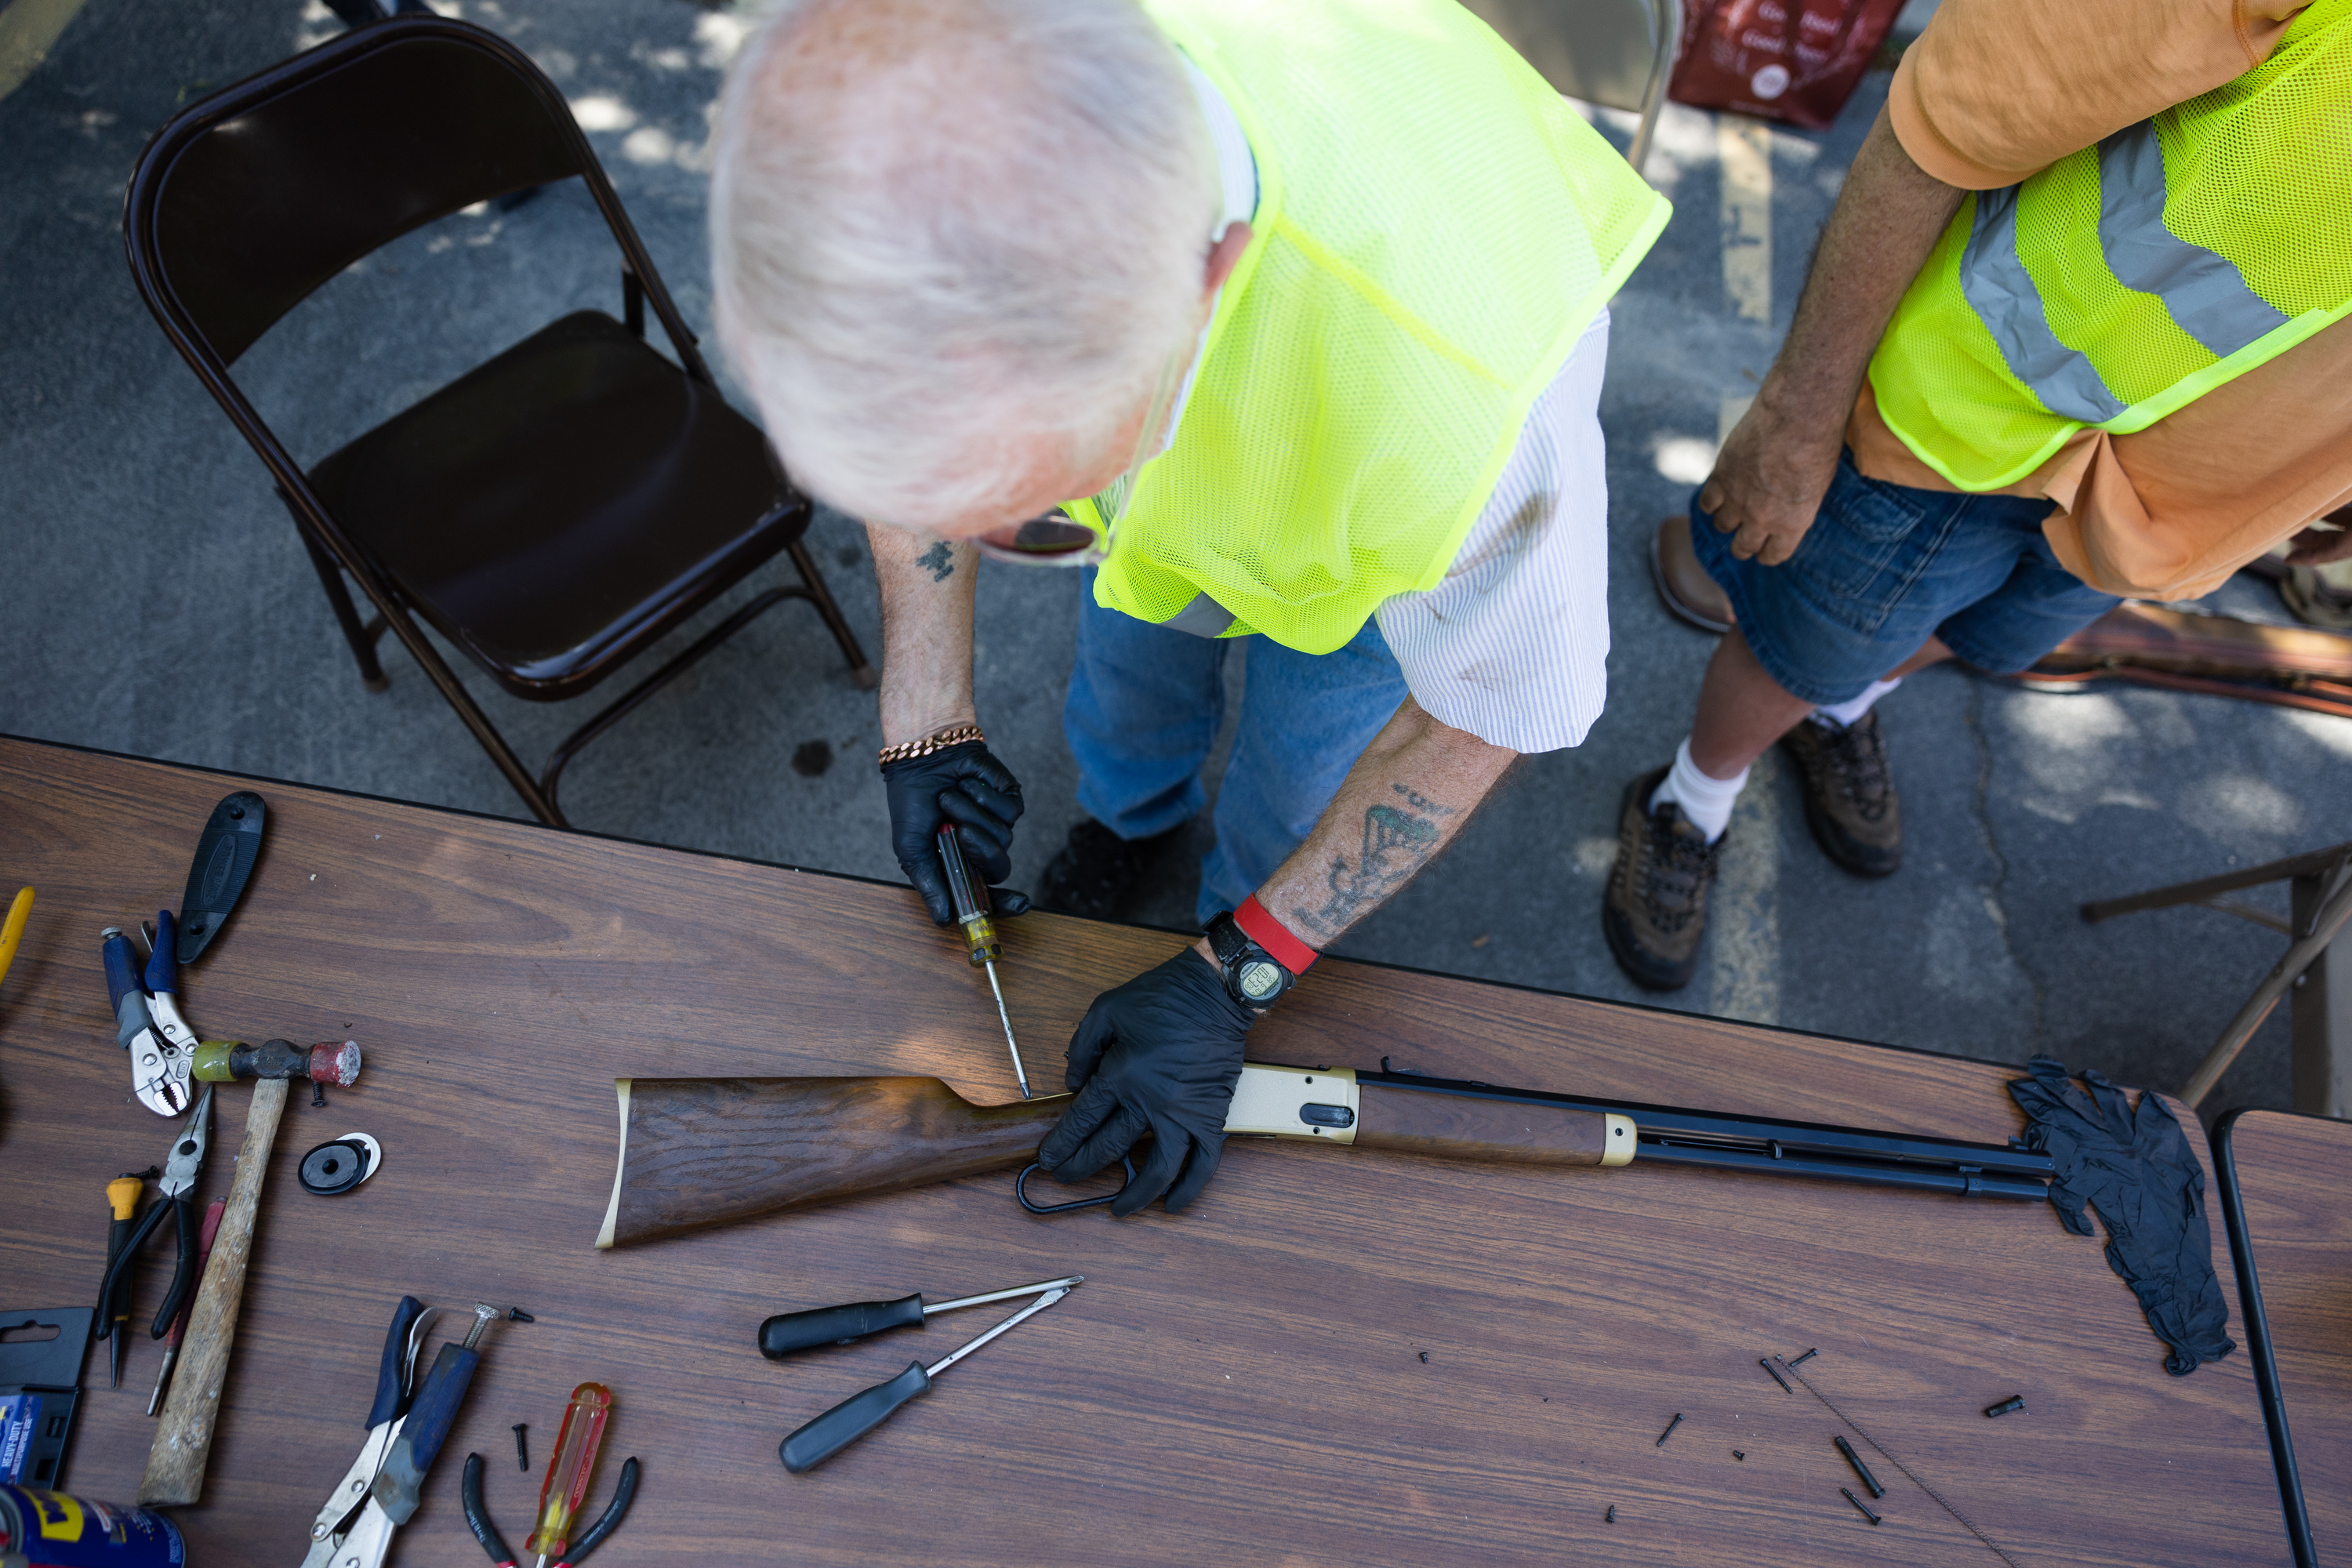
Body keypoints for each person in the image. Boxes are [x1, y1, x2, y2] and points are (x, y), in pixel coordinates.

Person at [710, 0, 1666, 1213]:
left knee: (1299, 776)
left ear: (1207, 286)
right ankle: (1129, 821)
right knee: (1125, 679)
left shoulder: (1467, 412)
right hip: (1204, 468)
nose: (1006, 544)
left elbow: (1486, 712)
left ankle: (1226, 914)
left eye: (1041, 514)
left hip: (1371, 526)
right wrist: (925, 712)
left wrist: (1242, 974)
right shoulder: (912, 98)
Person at [1606, 0, 2352, 992]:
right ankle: (1690, 799)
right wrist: (1798, 412)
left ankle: (1839, 709)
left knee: (1979, 634)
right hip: (1970, 420)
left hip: (2163, 516)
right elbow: (1950, 115)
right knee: (1803, 649)